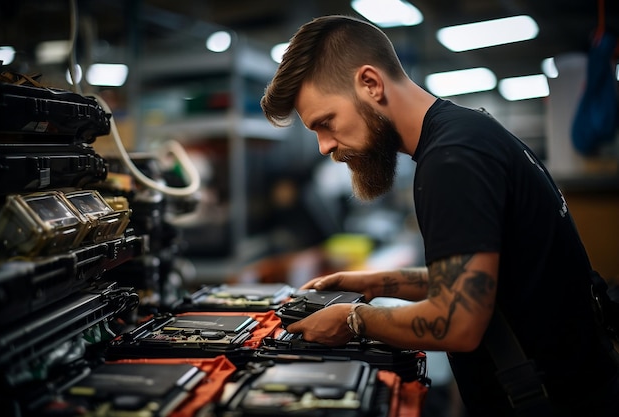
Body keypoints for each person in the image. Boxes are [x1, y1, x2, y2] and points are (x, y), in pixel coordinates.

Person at [259, 14, 619, 417]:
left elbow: (458, 322)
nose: (324, 146)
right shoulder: (466, 134)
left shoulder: (452, 160)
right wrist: (376, 282)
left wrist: (354, 319)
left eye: (326, 123)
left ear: (371, 84)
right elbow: (475, 280)